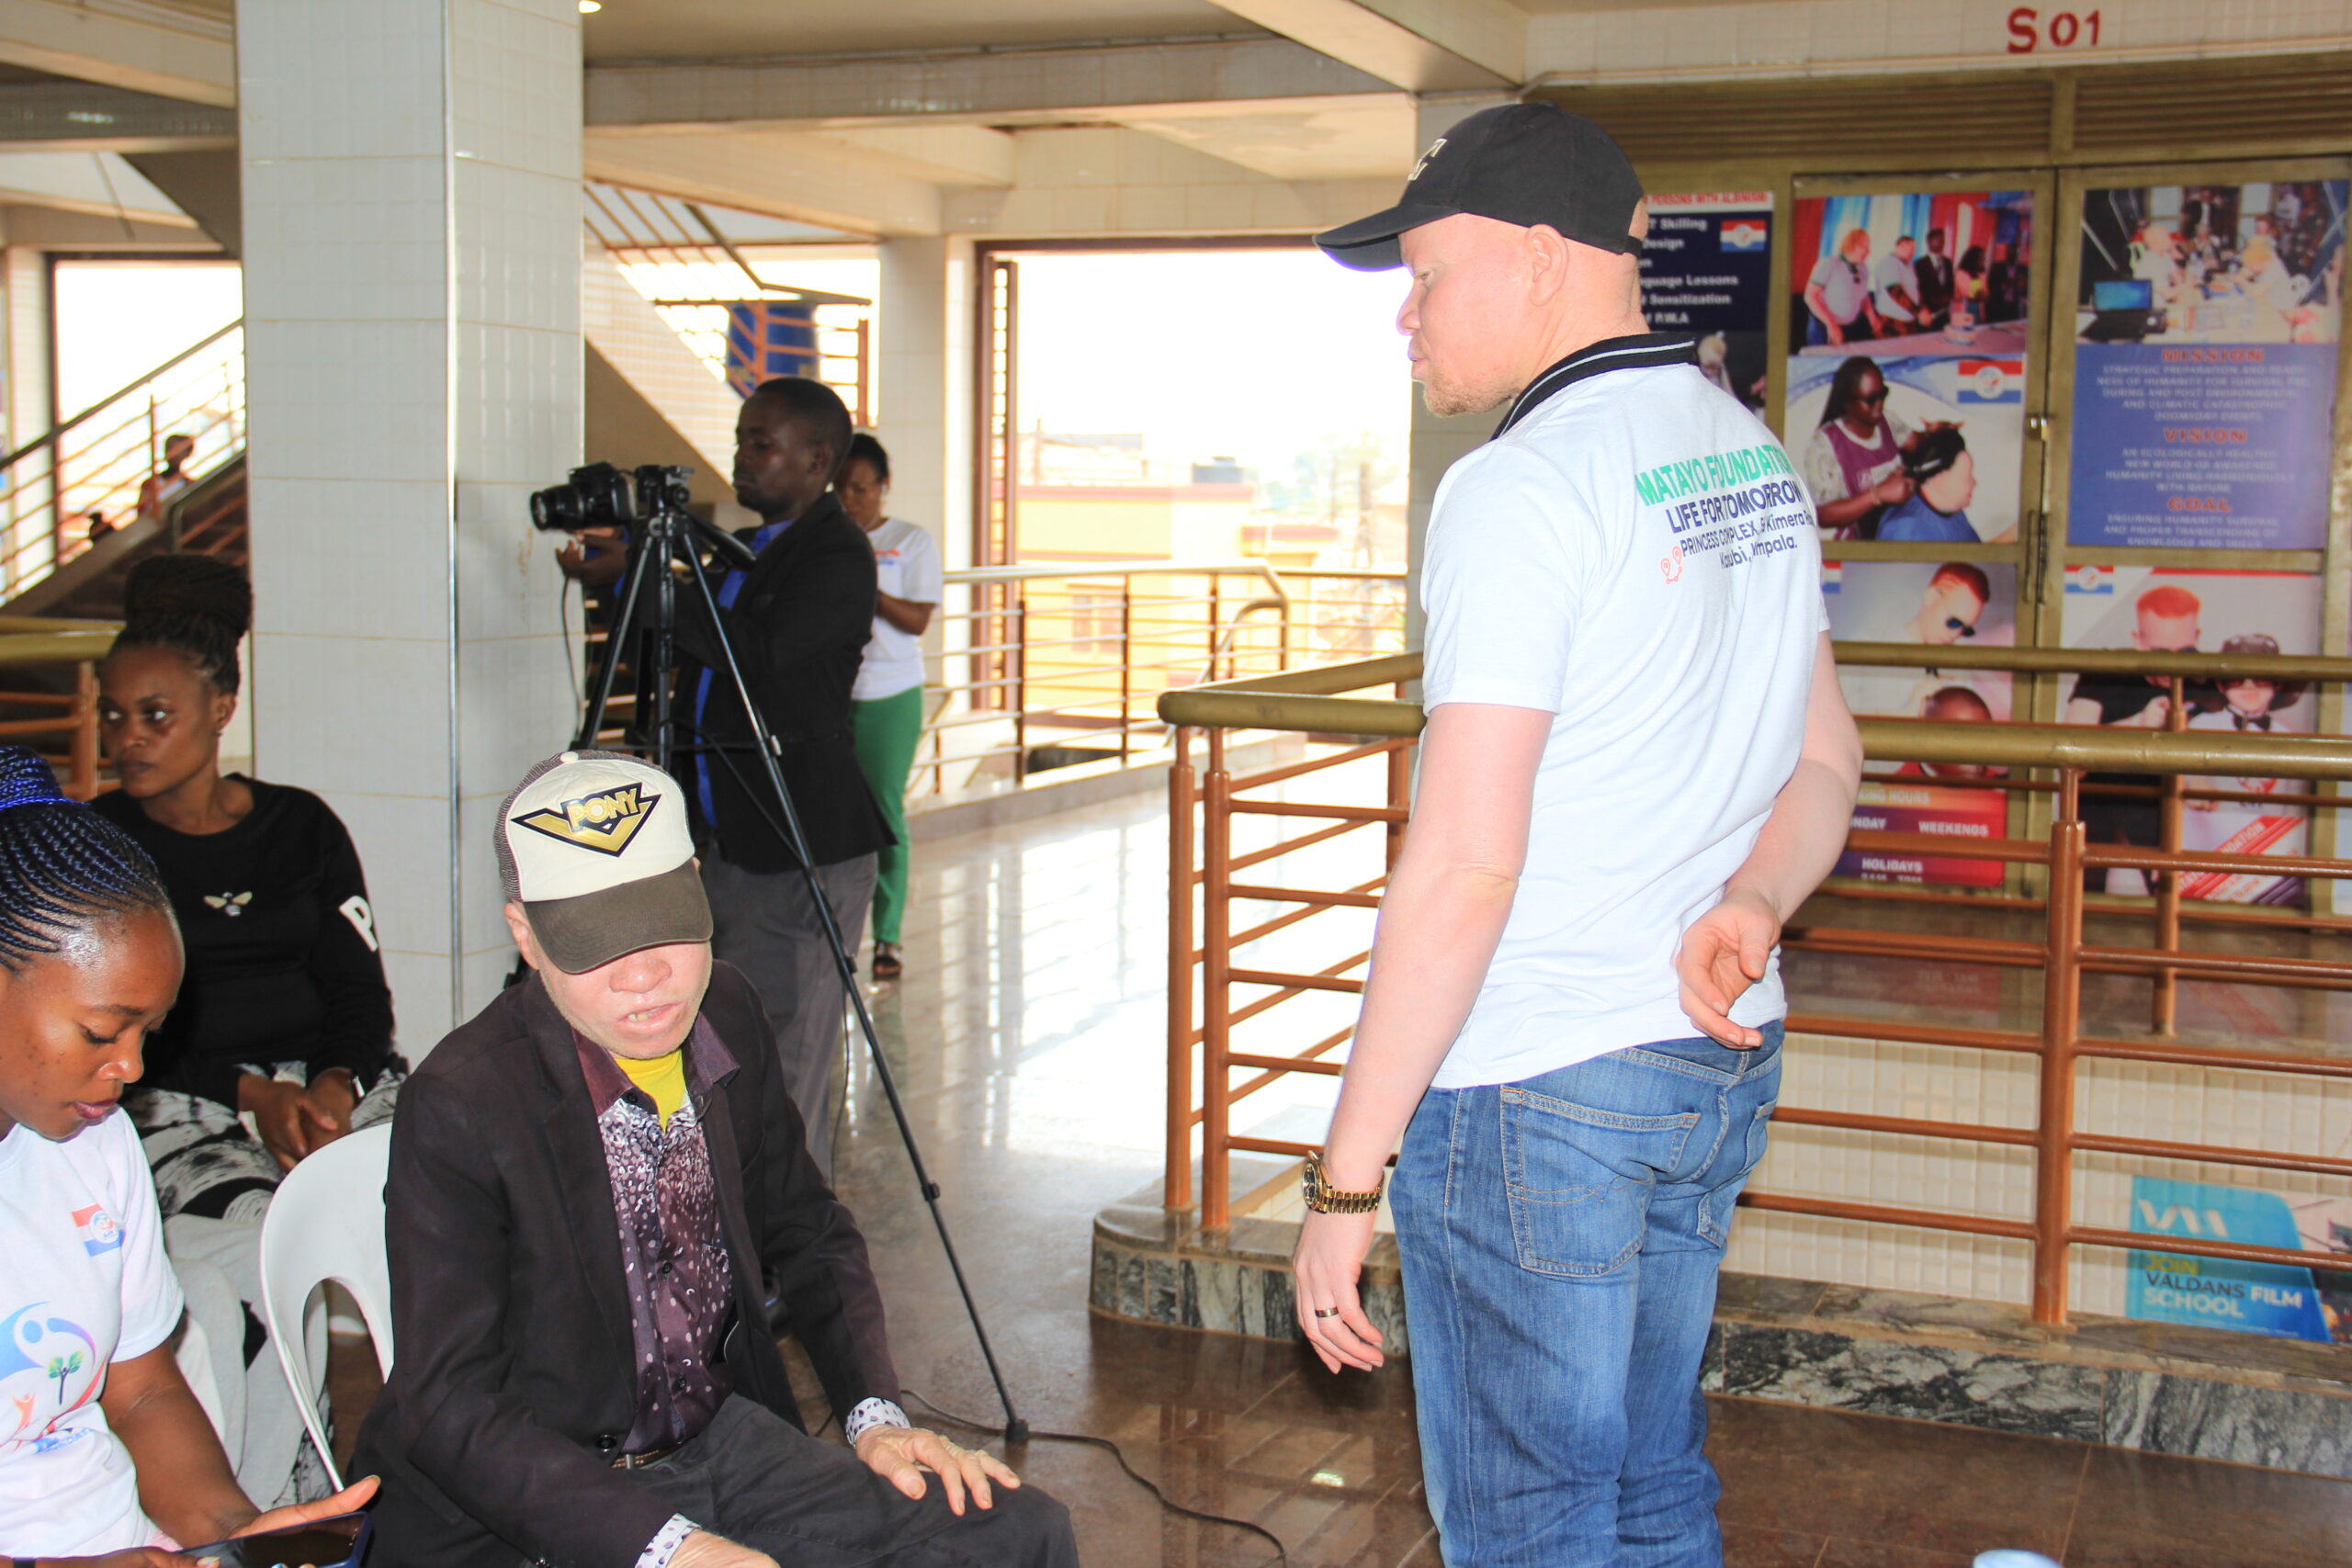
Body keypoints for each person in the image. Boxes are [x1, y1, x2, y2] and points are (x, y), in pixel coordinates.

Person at [1297, 104, 1861, 1567]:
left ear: (1541, 260)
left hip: (1537, 1083)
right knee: (1652, 1480)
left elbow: (1466, 864)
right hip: (1712, 1049)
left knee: (1532, 1526)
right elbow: (1827, 759)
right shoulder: (1748, 455)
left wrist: (1344, 1181)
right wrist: (1756, 898)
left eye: (1428, 275)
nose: (1408, 316)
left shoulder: (1520, 485)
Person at [349, 750, 1074, 1568]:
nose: (646, 974)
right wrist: (670, 1549)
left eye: (666, 923)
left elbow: (808, 1227)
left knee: (1018, 1532)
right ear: (527, 936)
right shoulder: (463, 1100)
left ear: (698, 885)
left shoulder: (725, 1007)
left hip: (713, 1440)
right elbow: (450, 1402)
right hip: (540, 1497)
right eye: (595, 943)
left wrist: (876, 1419)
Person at [0, 743, 377, 1565]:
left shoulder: (97, 1142)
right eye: (101, 1032)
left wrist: (232, 1531)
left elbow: (140, 1392)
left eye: (150, 1032)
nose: (132, 1067)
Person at [90, 555, 401, 1507]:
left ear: (221, 708)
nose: (127, 738)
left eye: (155, 715)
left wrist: (335, 1086)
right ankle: (293, 1500)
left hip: (324, 1082)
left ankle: (470, 1456)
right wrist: (252, 1096)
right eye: (114, 714)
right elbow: (119, 1030)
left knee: (461, 1193)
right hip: (176, 1099)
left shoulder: (300, 826)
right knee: (271, 1243)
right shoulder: (99, 846)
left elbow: (360, 993)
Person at [678, 378, 893, 1179]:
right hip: (733, 842)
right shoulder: (747, 548)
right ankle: (733, 1226)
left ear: (816, 459)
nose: (743, 458)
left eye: (762, 444)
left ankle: (796, 1239)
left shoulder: (837, 555)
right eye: (741, 439)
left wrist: (662, 590)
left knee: (785, 1059)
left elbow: (758, 655)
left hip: (799, 843)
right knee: (721, 1054)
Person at [836, 434, 941, 983]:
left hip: (891, 694)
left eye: (861, 488)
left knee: (883, 810)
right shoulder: (827, 540)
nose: (851, 499)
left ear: (883, 486)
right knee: (835, 811)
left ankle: (888, 934)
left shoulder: (910, 540)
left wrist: (868, 589)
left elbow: (917, 619)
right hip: (835, 692)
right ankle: (839, 929)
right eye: (842, 488)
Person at [2063, 584, 2218, 893]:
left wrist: (2197, 775)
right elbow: (2071, 755)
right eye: (2160, 654)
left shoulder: (2208, 682)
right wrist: (2136, 725)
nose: (2173, 665)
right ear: (2138, 641)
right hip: (2103, 809)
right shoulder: (2107, 671)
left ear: (2197, 638)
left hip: (2170, 816)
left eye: (2185, 653)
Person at [1802, 357, 1919, 539]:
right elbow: (1825, 515)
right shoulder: (1825, 443)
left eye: (1883, 394)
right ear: (1847, 402)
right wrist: (1878, 494)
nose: (1880, 403)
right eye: (1871, 399)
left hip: (1900, 527)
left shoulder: (1887, 420)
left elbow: (1916, 444)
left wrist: (1935, 433)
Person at [1874, 426, 1978, 542]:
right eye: (1967, 475)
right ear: (1937, 477)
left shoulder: (1952, 510)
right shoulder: (1906, 529)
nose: (1974, 483)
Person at [1804, 227, 1884, 345]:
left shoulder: (1863, 268)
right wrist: (1831, 324)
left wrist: (1872, 318)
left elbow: (1863, 296)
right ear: (1851, 245)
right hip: (1825, 328)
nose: (1868, 251)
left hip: (1849, 328)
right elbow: (1810, 296)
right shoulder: (1829, 263)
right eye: (1864, 247)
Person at [133, 436, 196, 525]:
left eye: (176, 450)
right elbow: (140, 512)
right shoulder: (149, 483)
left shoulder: (189, 485)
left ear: (187, 454)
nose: (171, 453)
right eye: (168, 448)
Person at [1871, 234, 1924, 333]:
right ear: (1898, 246)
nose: (1912, 252)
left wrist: (1922, 308)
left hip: (1908, 320)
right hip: (1891, 321)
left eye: (1913, 249)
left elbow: (1914, 290)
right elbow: (1895, 292)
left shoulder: (1909, 265)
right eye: (1909, 248)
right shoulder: (1889, 263)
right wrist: (1918, 312)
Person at [1915, 228, 1955, 327]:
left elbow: (1950, 283)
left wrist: (1948, 297)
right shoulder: (1919, 263)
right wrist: (1923, 307)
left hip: (1944, 311)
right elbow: (1918, 287)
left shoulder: (1947, 262)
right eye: (1939, 239)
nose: (1942, 242)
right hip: (1927, 311)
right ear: (1930, 241)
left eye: (1943, 240)